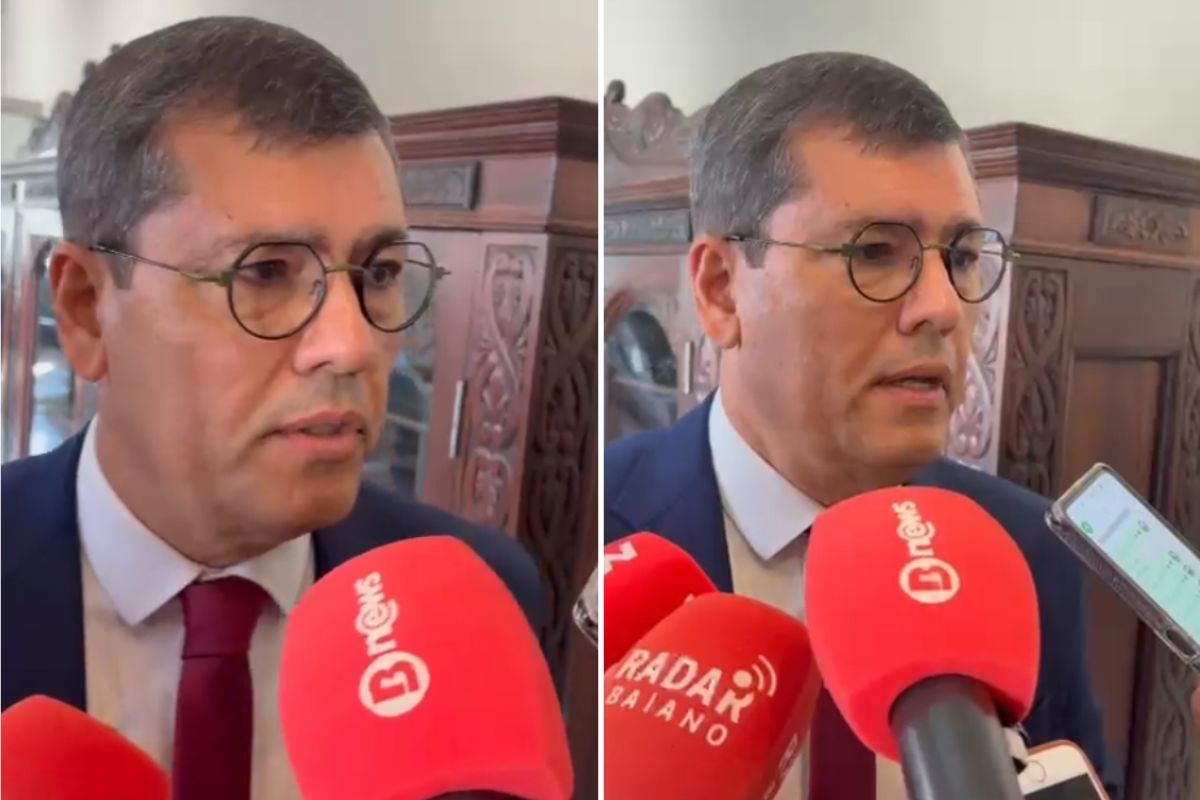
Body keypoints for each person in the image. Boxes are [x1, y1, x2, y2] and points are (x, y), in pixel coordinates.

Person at [1, 17, 542, 800]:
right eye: (265, 273)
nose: (352, 345)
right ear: (87, 310)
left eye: (379, 272)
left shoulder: (485, 601)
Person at [604, 53, 1117, 798]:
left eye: (962, 256)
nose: (943, 308)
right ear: (721, 292)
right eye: (875, 252)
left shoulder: (1028, 551)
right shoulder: (602, 536)